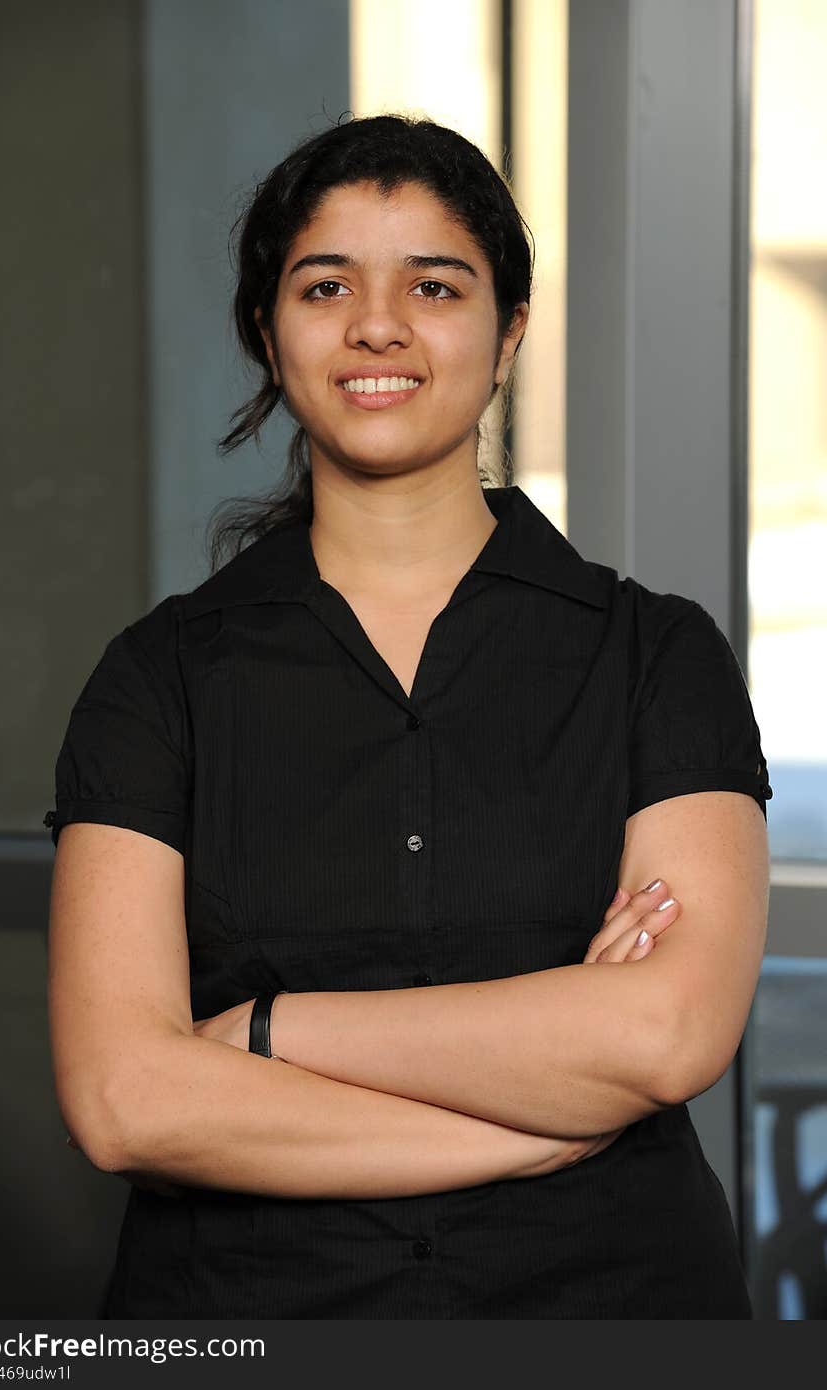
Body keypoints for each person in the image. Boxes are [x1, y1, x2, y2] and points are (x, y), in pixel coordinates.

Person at [45, 114, 773, 1319]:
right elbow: (128, 1100)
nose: (376, 325)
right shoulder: (155, 678)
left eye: (434, 285)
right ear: (267, 332)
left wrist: (268, 1031)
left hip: (611, 1306)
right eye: (324, 284)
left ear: (508, 333)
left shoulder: (658, 654)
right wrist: (533, 1125)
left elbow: (663, 1034)